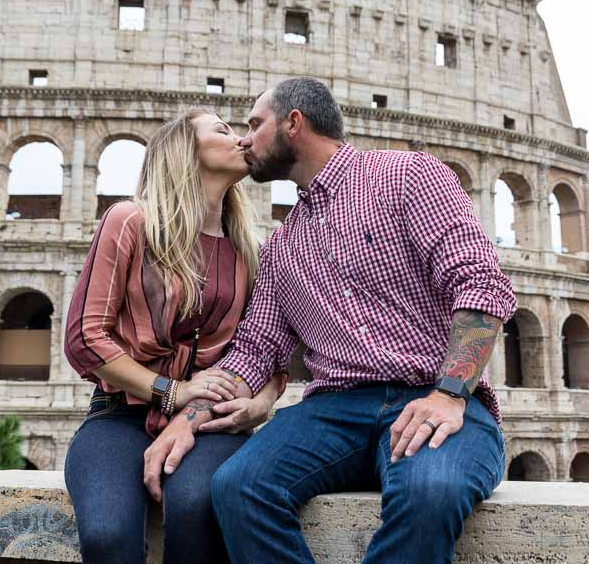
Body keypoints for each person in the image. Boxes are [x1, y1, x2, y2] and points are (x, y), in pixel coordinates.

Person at [142, 78, 517, 563]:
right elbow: (254, 352)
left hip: (434, 394)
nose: (245, 139)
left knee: (430, 491)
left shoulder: (408, 176)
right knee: (239, 486)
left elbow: (479, 282)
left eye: (255, 125)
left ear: (293, 123)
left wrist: (448, 395)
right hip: (333, 412)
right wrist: (186, 422)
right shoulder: (282, 245)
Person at [63, 108, 286, 564]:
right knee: (106, 534)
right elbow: (85, 338)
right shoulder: (130, 221)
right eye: (223, 130)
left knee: (197, 508)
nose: (243, 139)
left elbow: (267, 349)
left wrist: (262, 403)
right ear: (184, 150)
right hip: (119, 416)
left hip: (212, 422)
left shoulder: (250, 251)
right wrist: (172, 391)